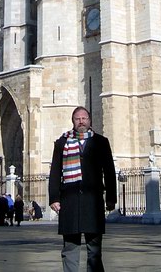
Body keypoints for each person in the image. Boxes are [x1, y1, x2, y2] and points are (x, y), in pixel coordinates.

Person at [49, 106, 117, 272]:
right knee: (70, 248)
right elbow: (55, 171)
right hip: (70, 200)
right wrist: (54, 198)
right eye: (77, 119)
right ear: (73, 121)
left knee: (94, 250)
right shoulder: (62, 142)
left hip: (92, 202)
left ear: (89, 121)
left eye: (84, 118)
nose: (81, 121)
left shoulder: (101, 142)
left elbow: (109, 171)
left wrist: (111, 198)